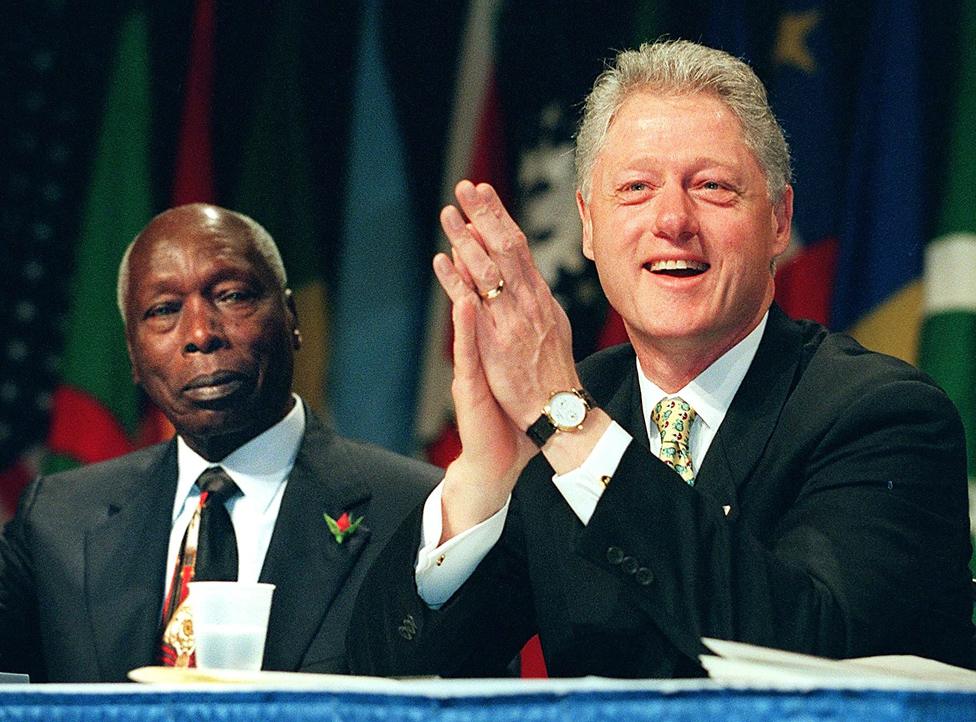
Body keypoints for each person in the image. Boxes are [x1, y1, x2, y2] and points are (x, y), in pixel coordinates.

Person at [349, 40, 974, 678]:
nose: (672, 219)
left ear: (779, 220)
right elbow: (386, 677)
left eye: (712, 186)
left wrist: (575, 432)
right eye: (636, 188)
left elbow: (813, 654)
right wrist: (480, 479)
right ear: (587, 225)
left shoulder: (882, 416)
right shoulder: (562, 414)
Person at [0, 203, 440, 682]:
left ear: (292, 318)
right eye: (164, 310)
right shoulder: (57, 521)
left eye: (231, 296)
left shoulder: (415, 510)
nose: (201, 334)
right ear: (132, 353)